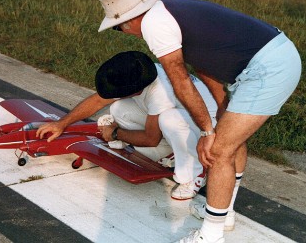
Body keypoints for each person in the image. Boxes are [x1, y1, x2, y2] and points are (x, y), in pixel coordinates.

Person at [97, 0, 301, 243]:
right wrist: (221, 107)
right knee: (230, 141)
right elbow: (204, 63)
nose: (121, 33)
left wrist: (207, 131)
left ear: (128, 20)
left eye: (117, 28)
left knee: (218, 152)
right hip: (267, 59)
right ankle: (223, 214)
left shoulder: (154, 25)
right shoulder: (167, 9)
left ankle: (211, 235)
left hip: (267, 69)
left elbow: (181, 81)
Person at [36, 51, 218, 200]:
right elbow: (98, 100)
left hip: (205, 124)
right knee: (118, 107)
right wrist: (62, 124)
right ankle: (170, 151)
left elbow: (151, 139)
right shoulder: (138, 75)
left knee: (168, 120)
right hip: (178, 117)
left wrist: (115, 133)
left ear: (135, 89)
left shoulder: (161, 91)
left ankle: (195, 174)